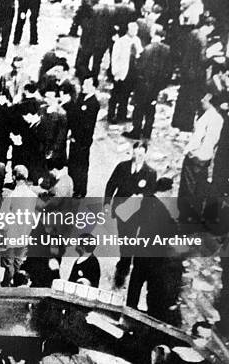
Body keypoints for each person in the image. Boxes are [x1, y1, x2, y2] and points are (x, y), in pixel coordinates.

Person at [104, 141, 157, 287]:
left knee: (129, 238)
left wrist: (140, 197)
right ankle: (125, 260)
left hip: (136, 213)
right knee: (123, 237)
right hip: (121, 210)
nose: (138, 157)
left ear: (145, 154)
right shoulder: (122, 167)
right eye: (135, 153)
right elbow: (111, 184)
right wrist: (107, 203)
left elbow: (150, 193)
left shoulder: (150, 173)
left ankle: (124, 266)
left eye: (141, 154)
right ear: (132, 153)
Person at [178, 92, 224, 224]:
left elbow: (199, 138)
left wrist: (190, 151)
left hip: (196, 158)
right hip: (205, 159)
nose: (202, 100)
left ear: (211, 102)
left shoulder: (209, 117)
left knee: (188, 190)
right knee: (199, 190)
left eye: (205, 99)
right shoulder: (218, 118)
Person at [124, 24, 172, 139]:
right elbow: (169, 70)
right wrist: (162, 84)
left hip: (144, 84)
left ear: (153, 34)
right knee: (151, 109)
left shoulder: (148, 49)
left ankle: (136, 131)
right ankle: (147, 131)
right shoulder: (167, 49)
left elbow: (140, 67)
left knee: (139, 108)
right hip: (156, 85)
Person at [67, 78, 100, 197]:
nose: (83, 86)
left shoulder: (93, 103)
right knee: (72, 164)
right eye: (83, 83)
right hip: (75, 138)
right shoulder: (81, 98)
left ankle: (80, 190)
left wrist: (79, 138)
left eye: (87, 84)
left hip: (82, 141)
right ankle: (74, 187)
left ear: (94, 87)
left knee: (81, 166)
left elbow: (87, 126)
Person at [108, 21, 142, 124]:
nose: (135, 32)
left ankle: (122, 114)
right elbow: (114, 58)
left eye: (136, 30)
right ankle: (111, 115)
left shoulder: (137, 40)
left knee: (126, 94)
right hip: (120, 72)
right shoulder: (120, 41)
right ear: (128, 30)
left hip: (131, 72)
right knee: (115, 95)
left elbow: (140, 52)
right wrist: (115, 72)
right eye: (133, 30)